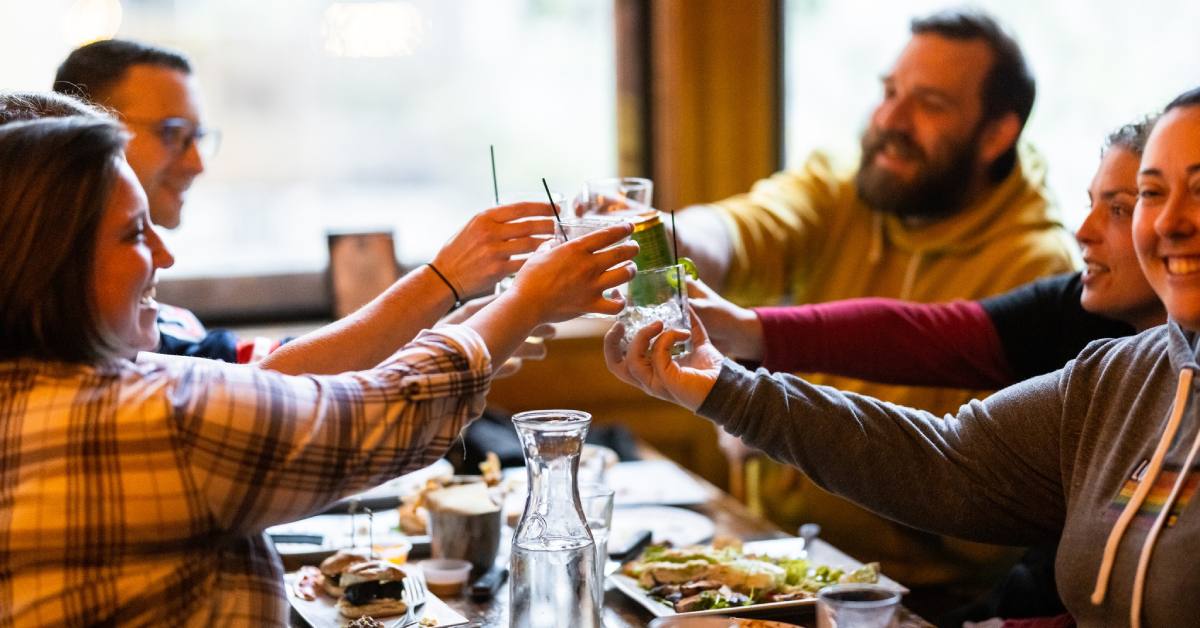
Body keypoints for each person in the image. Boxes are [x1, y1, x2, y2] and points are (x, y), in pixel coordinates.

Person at [0, 113, 638, 625]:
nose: (165, 253)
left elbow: (269, 389)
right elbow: (389, 409)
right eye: (135, 235)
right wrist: (522, 302)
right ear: (52, 260)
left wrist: (471, 316)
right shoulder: (140, 416)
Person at [606, 86, 1200, 628]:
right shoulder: (1115, 374)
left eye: (1197, 190)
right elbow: (947, 459)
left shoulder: (1034, 256)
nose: (1170, 221)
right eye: (1153, 193)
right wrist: (726, 383)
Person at [676, 7, 1080, 589]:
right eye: (889, 91)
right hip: (775, 556)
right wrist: (668, 235)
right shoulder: (848, 185)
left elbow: (976, 514)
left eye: (930, 103)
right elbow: (744, 229)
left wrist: (773, 426)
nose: (891, 117)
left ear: (997, 135)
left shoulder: (1039, 266)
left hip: (915, 596)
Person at [52, 40, 556, 370]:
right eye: (172, 135)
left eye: (199, 138)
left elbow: (267, 365)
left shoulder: (167, 319)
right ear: (87, 136)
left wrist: (457, 331)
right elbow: (265, 387)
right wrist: (446, 282)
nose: (196, 164)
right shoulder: (60, 316)